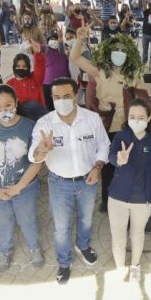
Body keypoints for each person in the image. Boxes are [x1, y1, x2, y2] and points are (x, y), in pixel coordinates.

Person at [28, 77, 110, 284]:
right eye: (56, 97)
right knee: (61, 227)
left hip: (88, 180)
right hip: (59, 183)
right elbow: (33, 155)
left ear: (76, 96)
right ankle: (64, 262)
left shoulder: (92, 118)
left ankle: (83, 246)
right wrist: (41, 150)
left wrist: (98, 167)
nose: (61, 101)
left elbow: (104, 144)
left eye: (66, 96)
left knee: (86, 219)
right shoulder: (44, 124)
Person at [70, 26, 146, 212]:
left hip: (127, 126)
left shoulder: (134, 74)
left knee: (126, 164)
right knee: (107, 165)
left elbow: (143, 98)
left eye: (122, 51)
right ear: (108, 53)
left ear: (128, 54)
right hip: (105, 125)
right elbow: (76, 58)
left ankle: (125, 198)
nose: (119, 54)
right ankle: (106, 200)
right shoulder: (100, 72)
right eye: (115, 51)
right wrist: (79, 39)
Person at [0, 84, 45, 272]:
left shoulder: (30, 127)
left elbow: (37, 162)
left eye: (7, 105)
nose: (3, 110)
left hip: (25, 188)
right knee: (2, 222)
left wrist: (18, 187)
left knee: (27, 219)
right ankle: (5, 251)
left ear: (16, 103)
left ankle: (34, 247)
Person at [107, 99, 151, 281]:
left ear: (149, 118)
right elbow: (111, 156)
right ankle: (120, 268)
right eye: (132, 117)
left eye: (141, 117)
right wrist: (119, 159)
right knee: (118, 236)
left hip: (143, 199)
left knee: (137, 234)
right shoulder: (121, 136)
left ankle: (135, 265)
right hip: (118, 197)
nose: (136, 120)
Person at [6, 53, 47, 121]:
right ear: (14, 67)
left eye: (24, 66)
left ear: (28, 67)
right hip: (21, 119)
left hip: (39, 117)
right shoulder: (10, 83)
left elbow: (40, 67)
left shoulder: (35, 78)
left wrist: (37, 53)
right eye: (18, 66)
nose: (21, 68)